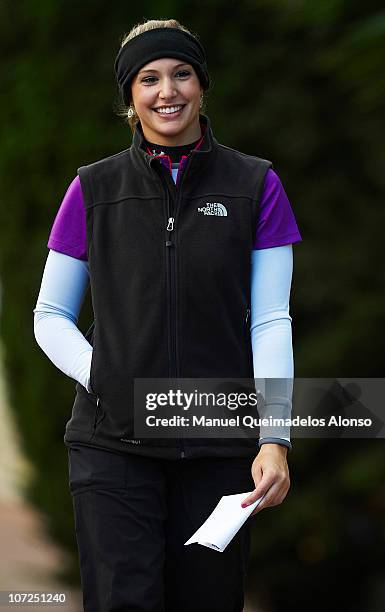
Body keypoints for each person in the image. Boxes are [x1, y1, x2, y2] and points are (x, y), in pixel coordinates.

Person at [33, 18, 302, 612]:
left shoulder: (256, 185)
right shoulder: (92, 190)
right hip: (113, 448)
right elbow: (50, 315)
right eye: (149, 78)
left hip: (217, 446)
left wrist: (274, 436)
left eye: (182, 74)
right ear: (130, 96)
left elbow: (271, 319)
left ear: (203, 86)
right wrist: (107, 378)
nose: (167, 91)